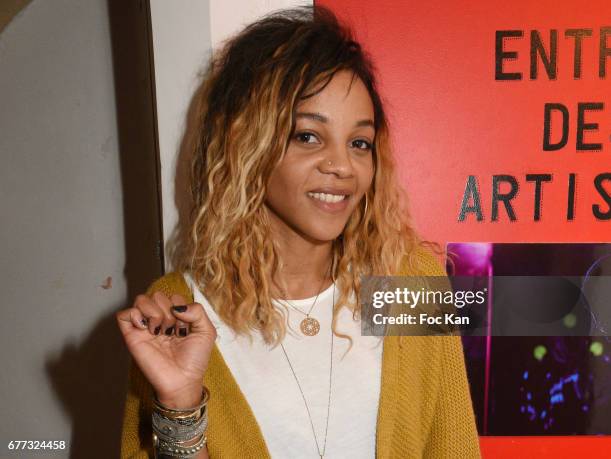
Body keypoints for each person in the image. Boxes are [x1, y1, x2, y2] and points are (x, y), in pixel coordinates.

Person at [116, 6, 481, 458]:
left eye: (359, 143)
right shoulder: (177, 312)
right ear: (246, 142)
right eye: (308, 136)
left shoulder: (410, 280)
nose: (342, 166)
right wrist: (179, 405)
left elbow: (454, 446)